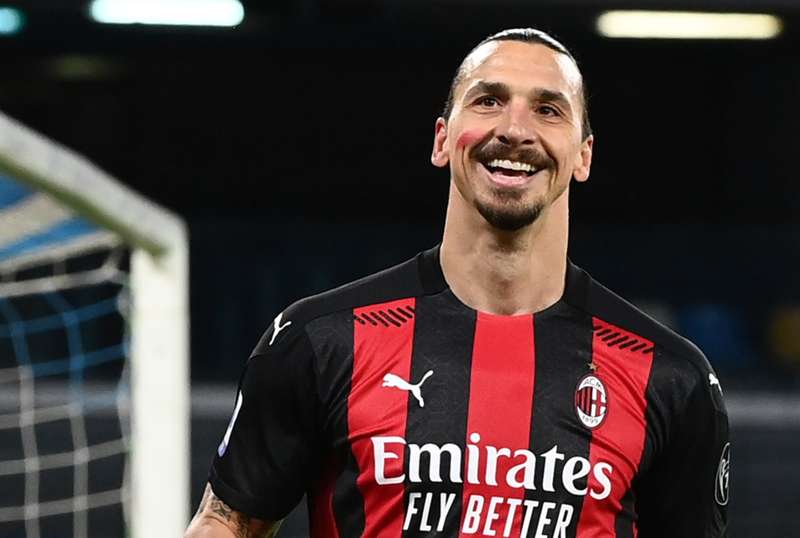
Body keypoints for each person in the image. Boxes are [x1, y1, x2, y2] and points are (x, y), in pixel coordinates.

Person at [185, 28, 729, 538]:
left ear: (583, 155)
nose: (514, 130)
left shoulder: (669, 378)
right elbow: (226, 523)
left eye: (547, 109)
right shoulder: (321, 340)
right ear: (442, 140)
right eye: (488, 100)